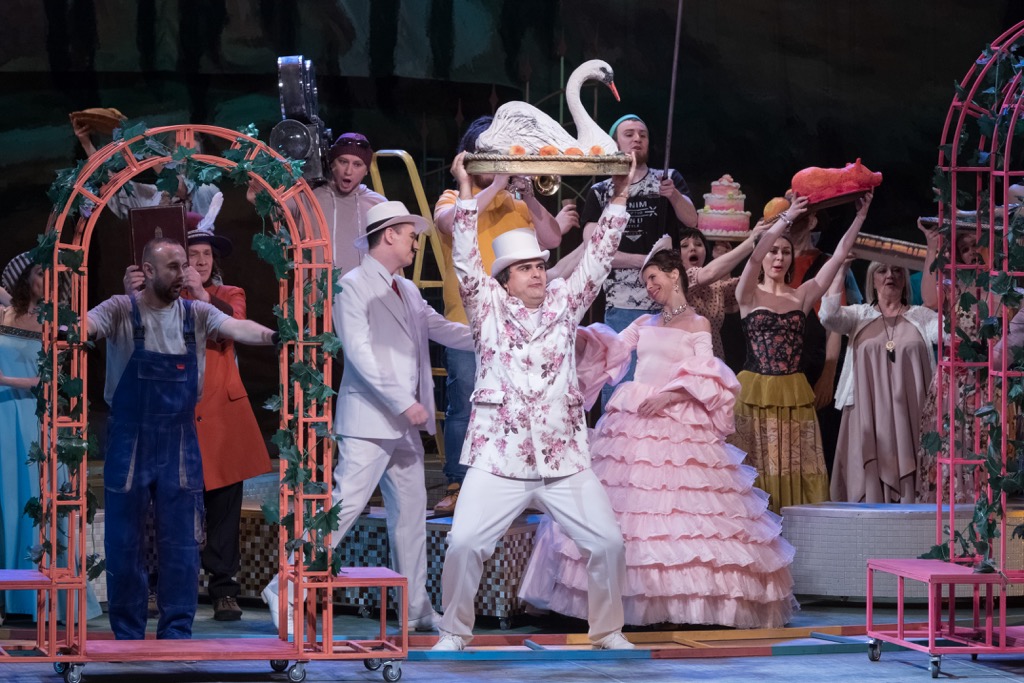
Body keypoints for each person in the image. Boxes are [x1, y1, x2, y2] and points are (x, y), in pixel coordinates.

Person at [520, 245, 797, 628]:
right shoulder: (644, 323)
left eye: (653, 278)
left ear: (674, 275)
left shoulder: (698, 324)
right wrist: (576, 336)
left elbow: (707, 371)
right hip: (634, 419)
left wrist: (670, 395)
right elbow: (613, 349)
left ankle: (687, 604)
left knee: (680, 511)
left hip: (678, 416)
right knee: (630, 506)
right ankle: (622, 600)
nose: (649, 286)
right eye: (645, 281)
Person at [432, 152, 635, 653]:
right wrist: (464, 189)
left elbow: (598, 260)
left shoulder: (565, 304)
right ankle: (454, 631)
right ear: (505, 279)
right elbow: (465, 260)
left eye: (540, 265)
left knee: (607, 543)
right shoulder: (487, 308)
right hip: (499, 456)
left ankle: (607, 630)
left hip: (562, 456)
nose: (538, 274)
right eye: (525, 268)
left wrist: (620, 196)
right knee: (464, 543)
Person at [261, 200, 473, 634]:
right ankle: (284, 588)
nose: (416, 242)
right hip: (371, 418)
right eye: (410, 235)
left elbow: (442, 328)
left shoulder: (407, 289)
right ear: (389, 235)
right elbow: (360, 354)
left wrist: (497, 335)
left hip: (404, 426)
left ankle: (415, 608)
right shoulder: (352, 286)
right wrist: (402, 402)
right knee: (345, 507)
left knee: (411, 516)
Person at [87, 237, 277, 640]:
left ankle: (176, 631)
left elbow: (237, 326)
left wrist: (274, 337)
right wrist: (66, 330)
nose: (183, 273)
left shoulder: (196, 313)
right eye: (173, 266)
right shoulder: (121, 309)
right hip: (130, 439)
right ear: (149, 270)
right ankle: (127, 632)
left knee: (182, 541)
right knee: (124, 539)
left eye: (183, 265)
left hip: (179, 437)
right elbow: (88, 324)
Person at [124, 197, 273, 621]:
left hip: (221, 418)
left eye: (207, 254)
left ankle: (224, 589)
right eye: (193, 255)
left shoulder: (227, 294)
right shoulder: (158, 299)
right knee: (164, 505)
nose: (202, 261)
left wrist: (201, 293)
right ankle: (159, 585)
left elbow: (230, 327)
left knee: (223, 508)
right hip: (172, 417)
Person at [431, 116, 577, 515]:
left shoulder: (518, 203)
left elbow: (552, 238)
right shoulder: (452, 196)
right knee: (465, 404)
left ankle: (517, 484)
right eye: (491, 154)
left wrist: (528, 195)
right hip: (469, 322)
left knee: (516, 405)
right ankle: (458, 483)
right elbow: (451, 223)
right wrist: (497, 185)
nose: (499, 162)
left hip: (518, 326)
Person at [731, 192, 872, 514]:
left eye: (785, 252)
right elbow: (753, 257)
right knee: (758, 466)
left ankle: (798, 531)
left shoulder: (802, 296)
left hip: (793, 392)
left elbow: (838, 256)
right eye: (774, 251)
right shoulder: (748, 293)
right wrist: (788, 217)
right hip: (755, 393)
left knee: (796, 466)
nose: (778, 257)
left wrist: (860, 218)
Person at [0, 254, 102, 625]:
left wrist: (5, 380)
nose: (48, 280)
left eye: (52, 274)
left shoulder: (57, 323)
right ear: (25, 278)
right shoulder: (5, 315)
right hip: (2, 418)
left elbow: (51, 380)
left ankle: (39, 599)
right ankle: (7, 598)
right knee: (5, 501)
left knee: (35, 500)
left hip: (33, 417)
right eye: (41, 273)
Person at [578, 114, 697, 405]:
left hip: (668, 302)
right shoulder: (600, 191)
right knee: (622, 382)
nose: (637, 139)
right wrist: (643, 262)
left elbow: (692, 220)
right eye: (629, 134)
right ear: (615, 142)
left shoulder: (667, 178)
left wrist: (674, 196)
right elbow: (594, 247)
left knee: (664, 382)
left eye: (642, 134)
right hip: (623, 302)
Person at [821, 258, 939, 503]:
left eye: (897, 270)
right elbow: (829, 316)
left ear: (905, 279)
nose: (889, 276)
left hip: (912, 411)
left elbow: (951, 332)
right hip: (867, 410)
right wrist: (841, 269)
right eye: (882, 271)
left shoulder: (922, 317)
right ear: (872, 280)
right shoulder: (858, 315)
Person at [916, 221, 980, 503]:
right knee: (949, 438)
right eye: (965, 248)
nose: (972, 252)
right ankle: (949, 500)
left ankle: (979, 498)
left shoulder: (997, 284)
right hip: (952, 376)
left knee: (978, 438)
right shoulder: (951, 286)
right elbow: (929, 299)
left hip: (983, 376)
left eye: (977, 246)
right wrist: (932, 246)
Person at [680, 225, 768, 359]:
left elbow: (746, 284)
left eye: (698, 244)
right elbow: (709, 273)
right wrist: (752, 240)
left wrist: (765, 244)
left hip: (714, 358)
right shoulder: (677, 281)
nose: (693, 248)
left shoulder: (716, 286)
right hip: (686, 359)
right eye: (684, 245)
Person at [312, 132, 387, 275]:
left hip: (364, 289)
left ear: (366, 170)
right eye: (343, 162)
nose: (348, 171)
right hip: (316, 289)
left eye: (357, 164)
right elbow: (271, 206)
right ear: (332, 163)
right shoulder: (309, 198)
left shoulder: (379, 205)